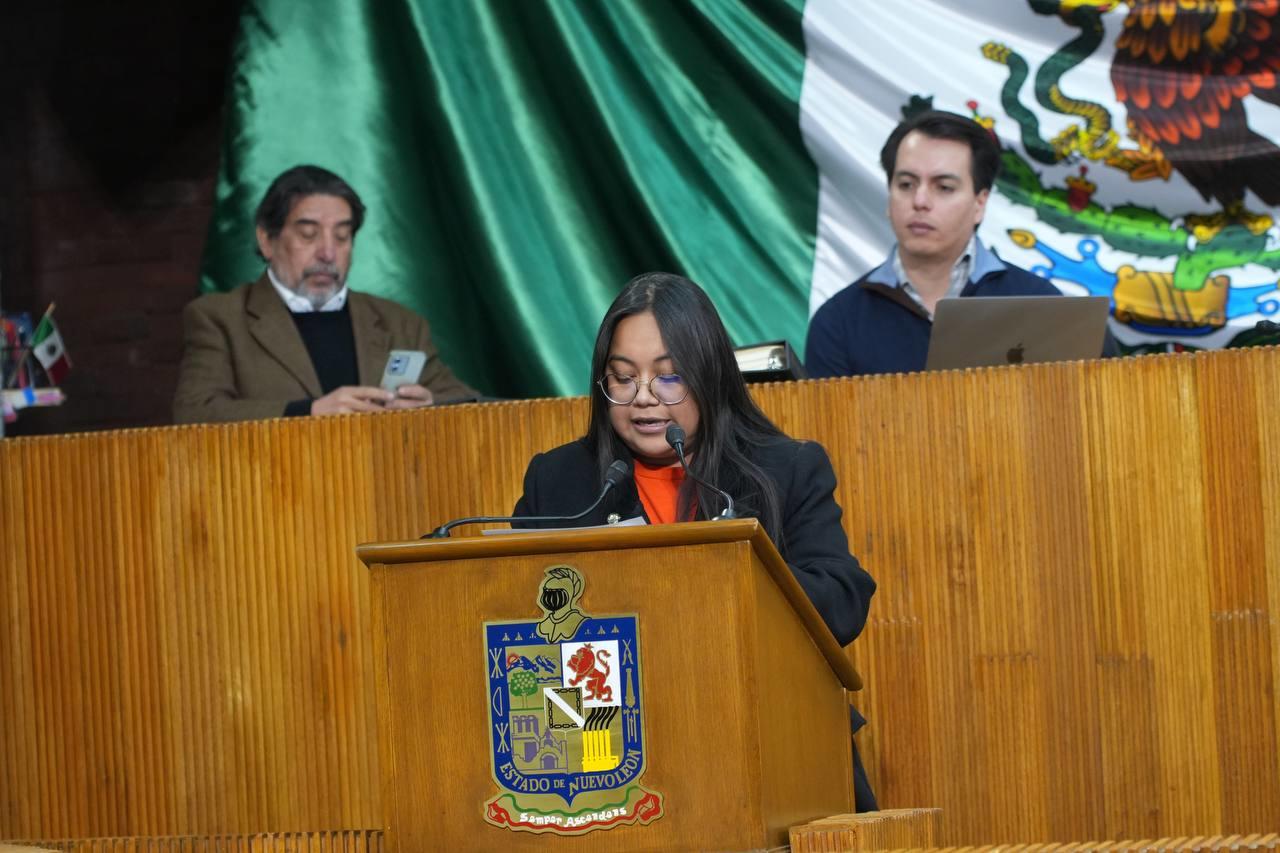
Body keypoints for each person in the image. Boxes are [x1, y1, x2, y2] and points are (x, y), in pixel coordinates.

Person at [513, 271, 878, 810]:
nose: (643, 400)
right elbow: (513, 609)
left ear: (709, 377)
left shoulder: (784, 468)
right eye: (622, 378)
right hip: (601, 748)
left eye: (668, 377)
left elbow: (843, 599)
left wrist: (729, 575)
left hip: (766, 736)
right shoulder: (562, 479)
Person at [806, 110, 1116, 377]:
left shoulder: (1043, 306)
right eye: (905, 185)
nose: (920, 201)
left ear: (980, 203)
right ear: (889, 197)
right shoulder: (839, 323)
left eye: (943, 187)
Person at [173, 165, 477, 424]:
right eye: (309, 234)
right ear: (267, 239)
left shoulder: (399, 323)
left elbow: (470, 402)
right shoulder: (220, 318)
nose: (328, 253)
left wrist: (431, 406)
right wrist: (308, 413)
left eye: (342, 236)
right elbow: (195, 413)